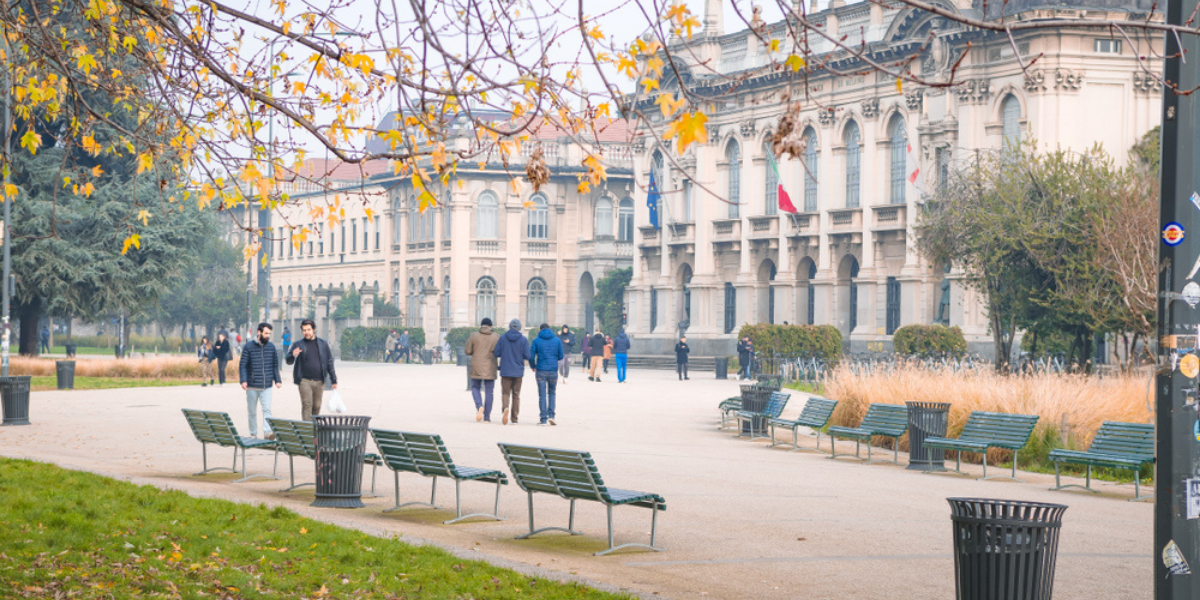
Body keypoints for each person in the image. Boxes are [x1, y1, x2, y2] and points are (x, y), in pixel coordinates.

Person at [285, 319, 338, 420]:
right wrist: (292, 355)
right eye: (304, 330)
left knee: (316, 406)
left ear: (314, 330)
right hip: (304, 380)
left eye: (308, 330)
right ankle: (307, 432)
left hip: (320, 380)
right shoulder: (298, 344)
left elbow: (329, 362)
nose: (306, 332)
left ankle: (313, 430)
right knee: (307, 405)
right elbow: (288, 361)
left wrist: (333, 380)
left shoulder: (323, 344)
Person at [239, 322, 282, 439]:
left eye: (269, 333)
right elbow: (243, 365)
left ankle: (268, 432)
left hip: (266, 385)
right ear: (259, 332)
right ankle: (253, 433)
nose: (268, 335)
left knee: (267, 409)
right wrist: (243, 380)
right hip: (252, 386)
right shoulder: (248, 347)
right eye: (266, 333)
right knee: (252, 412)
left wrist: (277, 380)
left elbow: (274, 365)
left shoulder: (271, 347)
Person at [493, 319, 529, 425]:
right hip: (518, 371)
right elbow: (527, 355)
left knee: (505, 393)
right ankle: (514, 418)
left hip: (505, 370)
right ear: (519, 328)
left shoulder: (503, 338)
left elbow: (496, 352)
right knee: (516, 395)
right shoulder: (523, 340)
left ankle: (505, 408)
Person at [464, 318, 500, 422]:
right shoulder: (496, 337)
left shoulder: (473, 336)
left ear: (481, 325)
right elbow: (498, 352)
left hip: (476, 366)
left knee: (475, 387)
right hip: (490, 366)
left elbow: (468, 351)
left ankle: (479, 406)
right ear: (491, 326)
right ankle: (487, 417)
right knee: (489, 392)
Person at [529, 323, 564, 426]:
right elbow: (561, 356)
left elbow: (531, 356)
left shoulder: (536, 340)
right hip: (553, 370)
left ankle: (543, 418)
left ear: (540, 330)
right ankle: (552, 415)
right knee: (552, 393)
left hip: (541, 370)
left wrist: (533, 366)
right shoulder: (557, 340)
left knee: (542, 394)